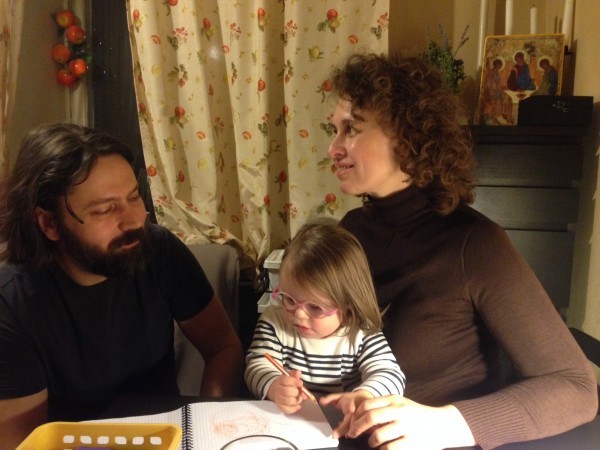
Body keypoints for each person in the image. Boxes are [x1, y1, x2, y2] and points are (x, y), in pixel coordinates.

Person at [326, 52, 597, 449]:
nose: (332, 148)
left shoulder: (475, 244)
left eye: (351, 129)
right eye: (332, 130)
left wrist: (442, 424)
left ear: (407, 135)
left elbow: (576, 388)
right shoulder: (351, 229)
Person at [0, 123, 244, 449]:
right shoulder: (12, 304)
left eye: (134, 197)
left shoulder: (159, 250)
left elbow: (223, 347)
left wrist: (208, 425)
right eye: (104, 209)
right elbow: (23, 442)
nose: (134, 220)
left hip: (165, 437)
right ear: (49, 223)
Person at [245, 221, 405, 419]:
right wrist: (273, 385)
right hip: (288, 422)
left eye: (315, 307)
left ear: (347, 304)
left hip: (344, 424)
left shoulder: (361, 331)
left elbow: (390, 373)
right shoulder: (274, 320)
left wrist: (365, 395)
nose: (299, 314)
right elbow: (256, 363)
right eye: (289, 299)